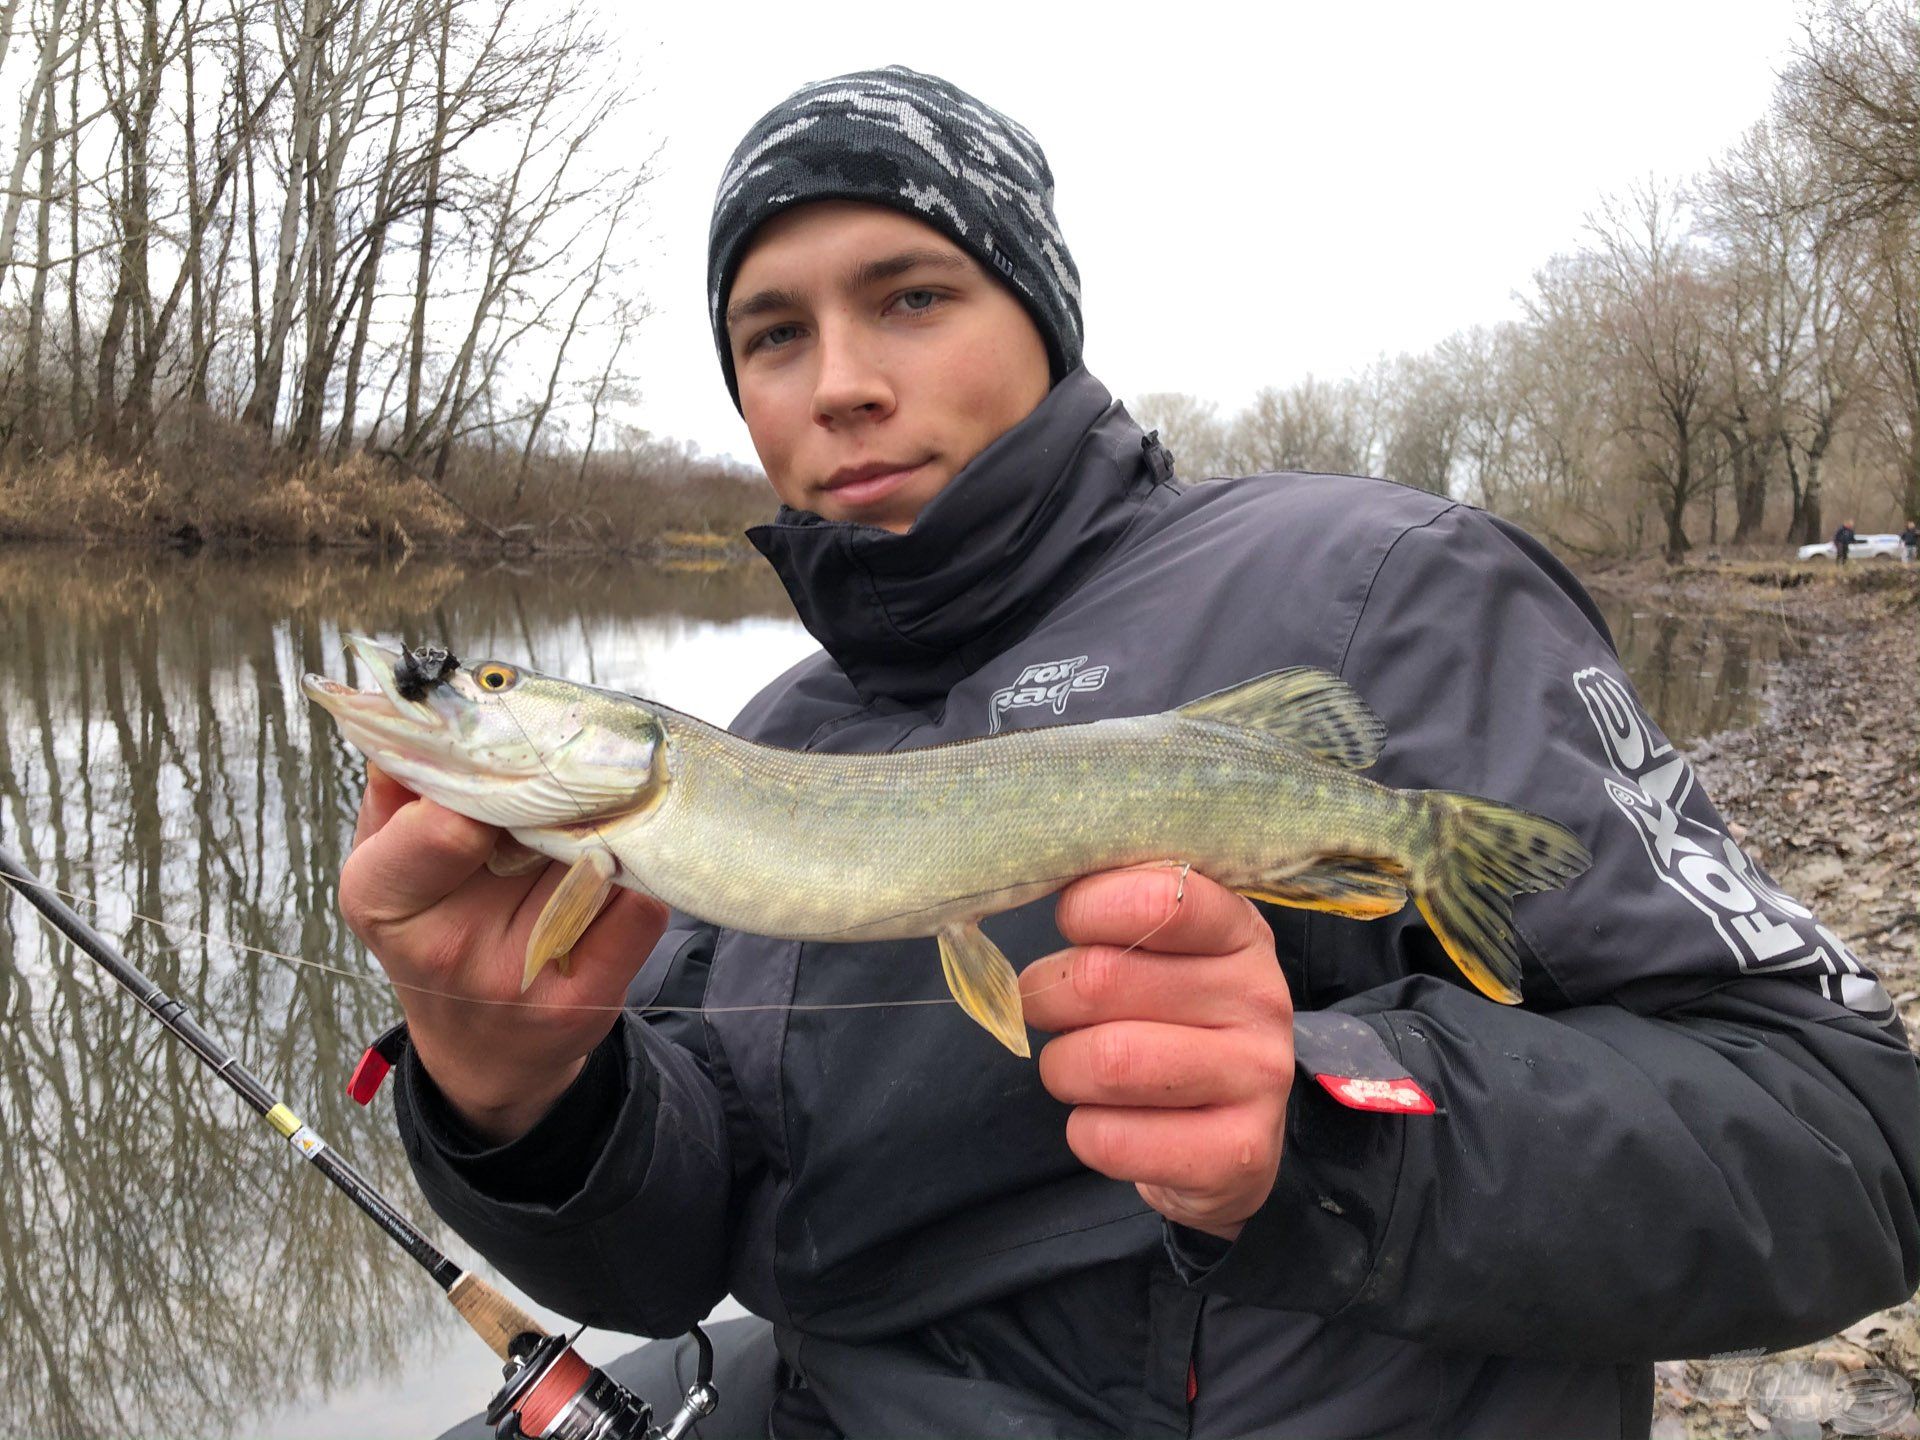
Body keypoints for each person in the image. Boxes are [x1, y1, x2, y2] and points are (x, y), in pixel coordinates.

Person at [341, 68, 1920, 1440]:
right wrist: (520, 1097)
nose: (838, 384)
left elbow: (1849, 1135)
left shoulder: (1375, 588)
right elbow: (678, 1253)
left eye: (909, 294)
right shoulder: (773, 741)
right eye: (771, 333)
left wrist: (1316, 1129)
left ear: (1038, 310)